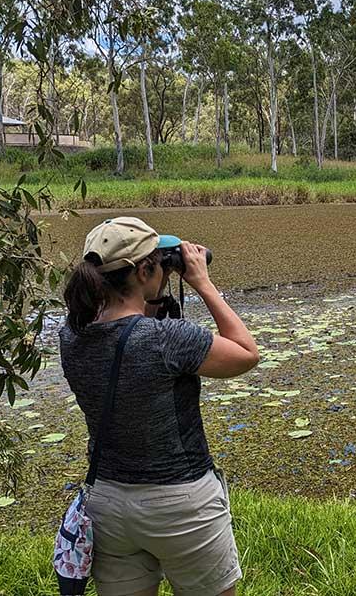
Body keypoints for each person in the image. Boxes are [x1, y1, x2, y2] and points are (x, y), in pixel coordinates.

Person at [59, 216, 259, 596]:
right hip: (181, 503)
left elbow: (124, 331)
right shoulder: (167, 339)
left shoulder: (71, 335)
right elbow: (246, 354)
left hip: (108, 504)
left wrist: (150, 292)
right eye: (158, 265)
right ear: (145, 270)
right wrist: (202, 283)